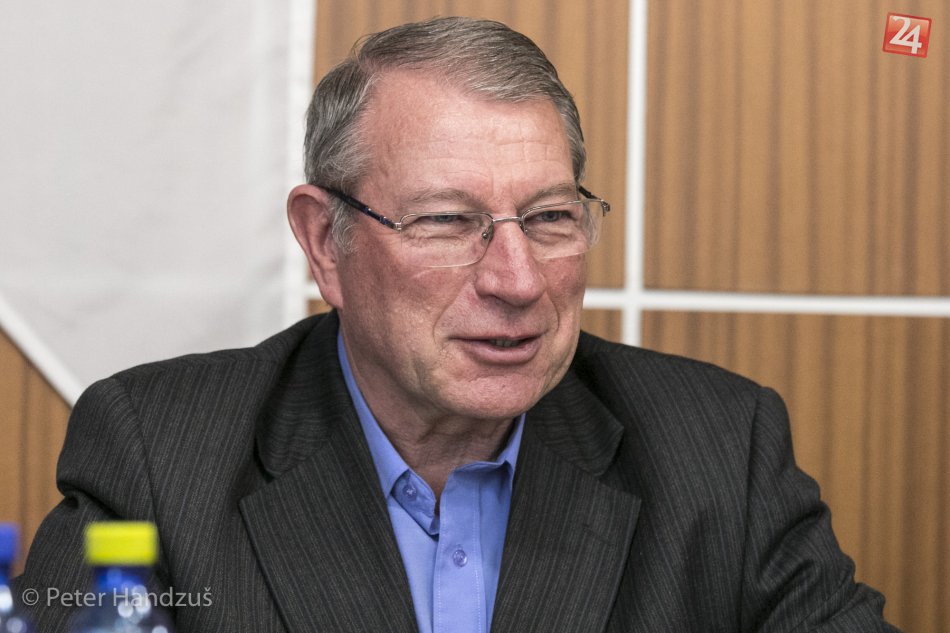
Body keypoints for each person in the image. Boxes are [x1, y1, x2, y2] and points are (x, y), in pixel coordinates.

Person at [16, 16, 898, 633]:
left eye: (549, 218)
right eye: (446, 221)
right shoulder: (157, 456)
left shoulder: (720, 449)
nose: (518, 280)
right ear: (325, 241)